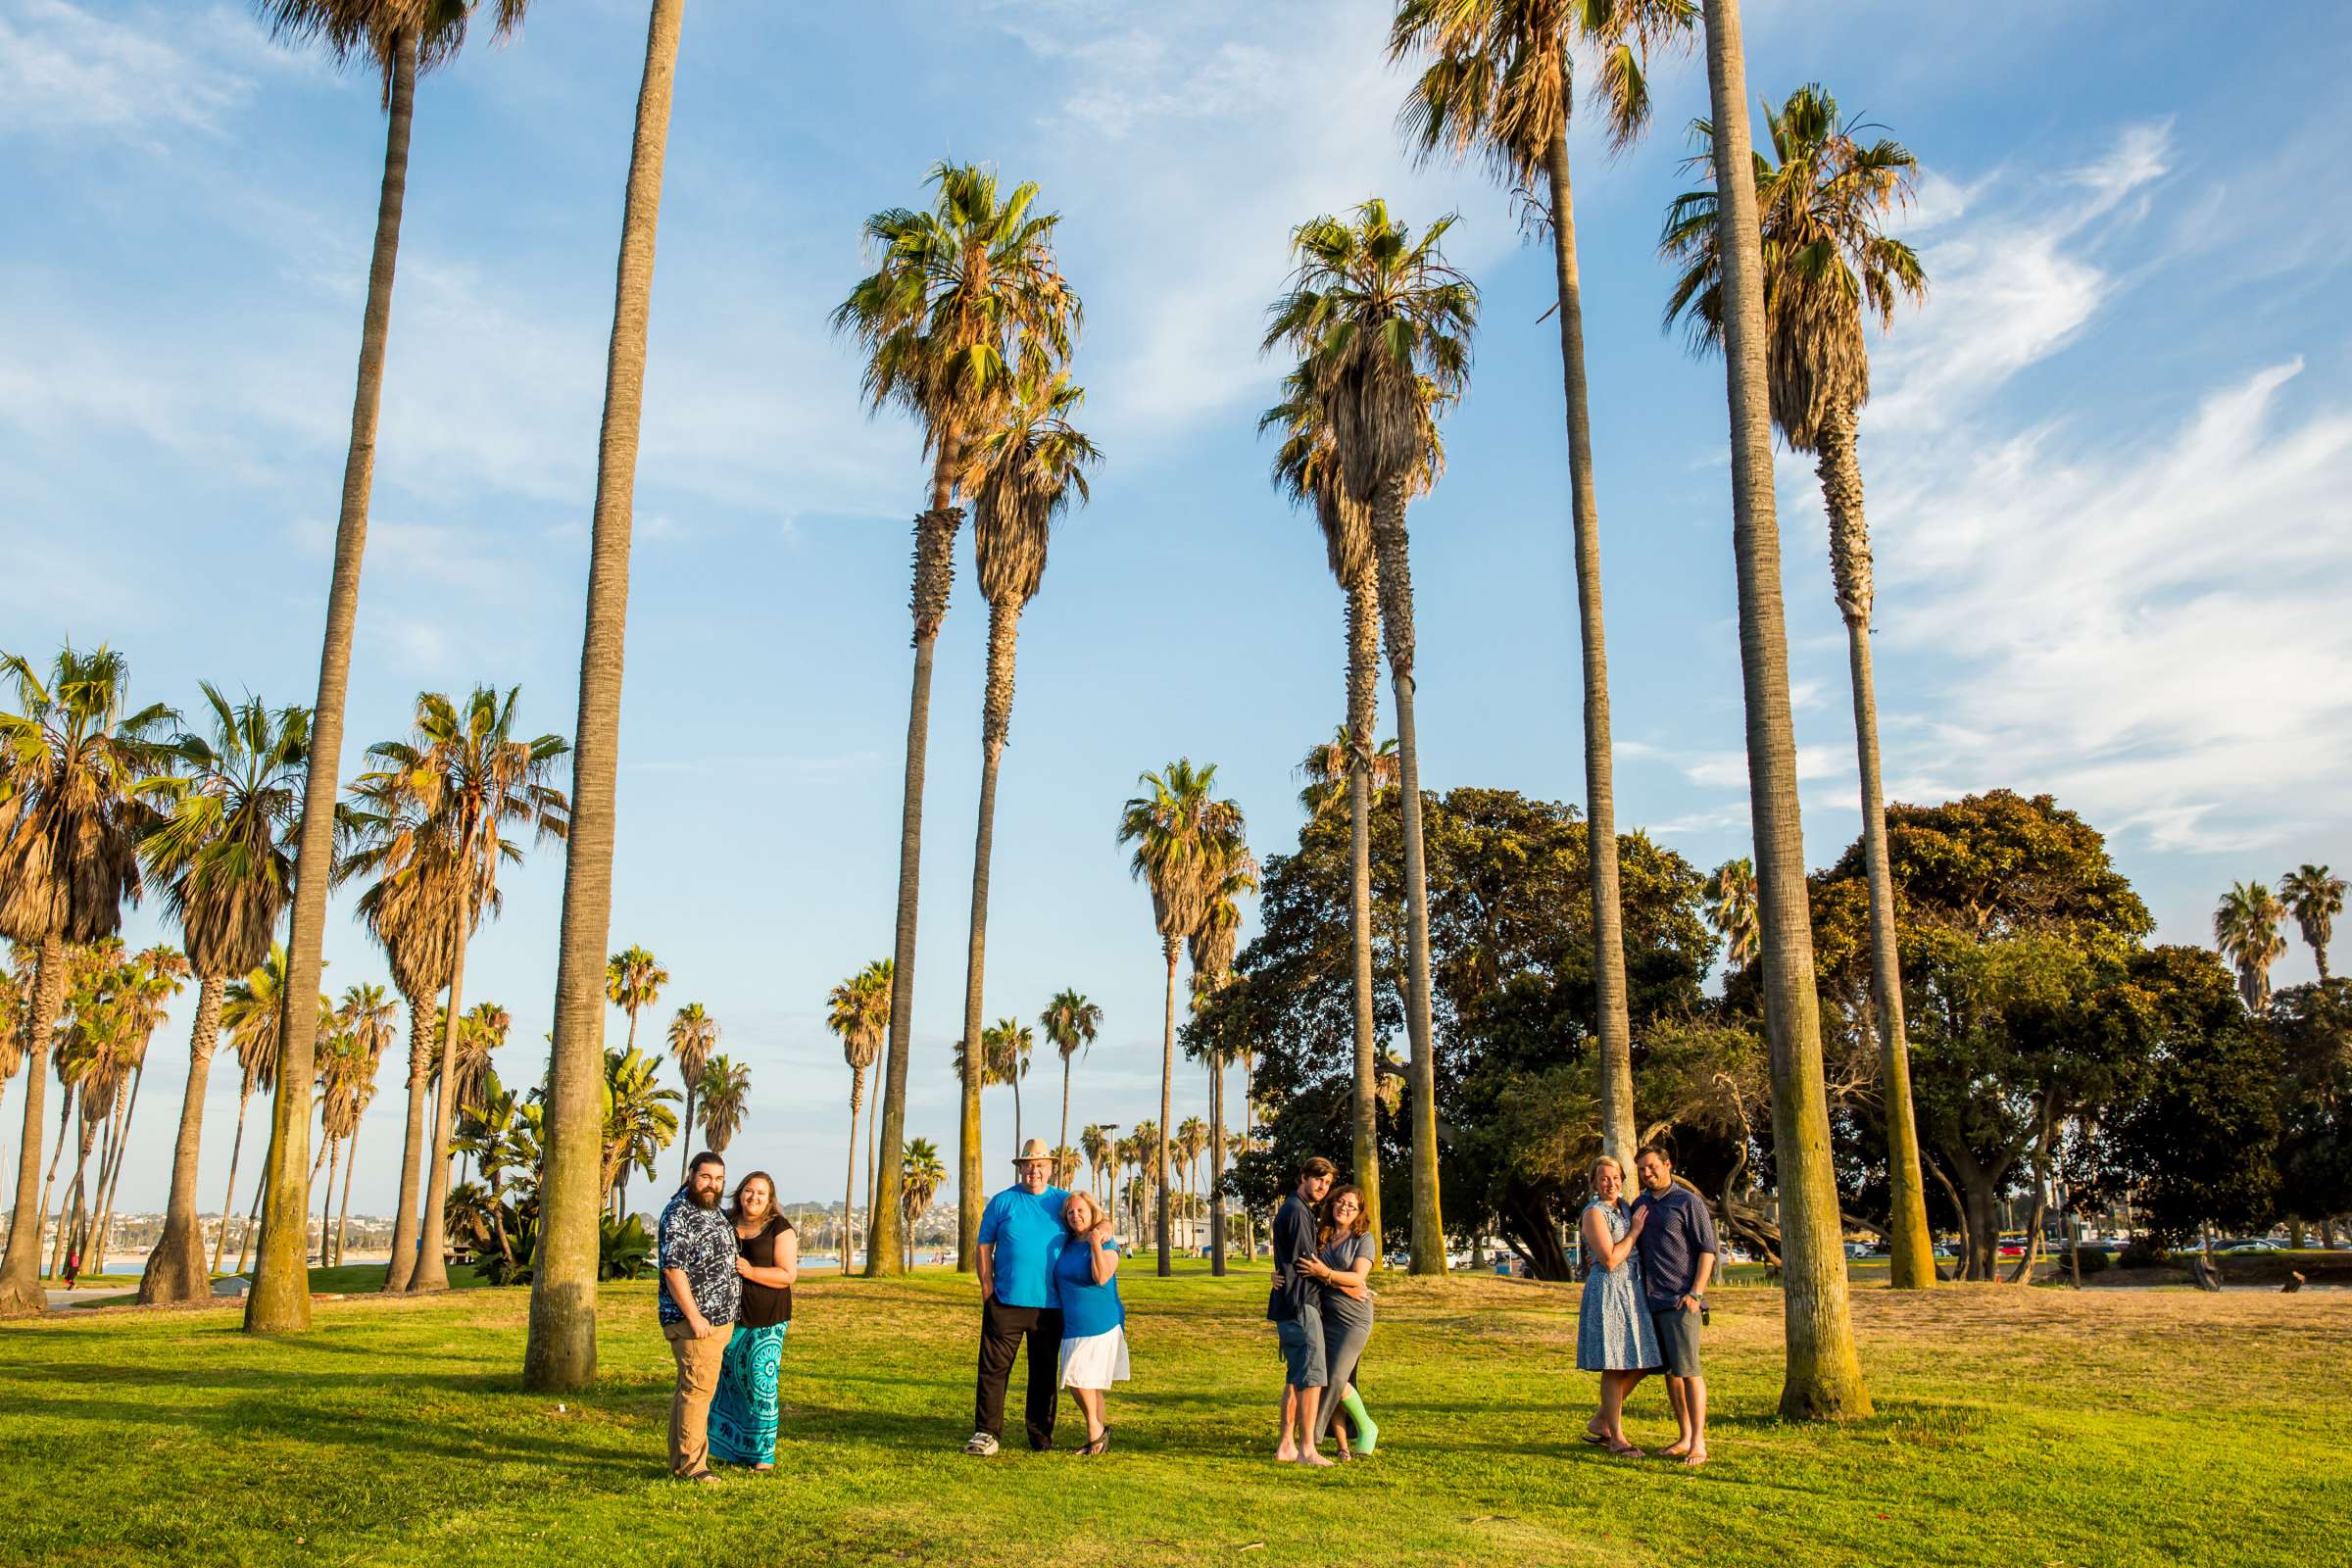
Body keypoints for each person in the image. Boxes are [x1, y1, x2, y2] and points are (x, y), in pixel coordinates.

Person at [967, 1137, 1069, 1456]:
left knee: (1043, 1374)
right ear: (1020, 1168)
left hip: (1050, 1307)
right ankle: (987, 1433)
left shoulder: (1064, 1202)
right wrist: (987, 1287)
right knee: (993, 1371)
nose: (1033, 1171)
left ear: (1050, 1168)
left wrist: (1105, 1229)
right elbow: (984, 1245)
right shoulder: (1002, 1202)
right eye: (1027, 1165)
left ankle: (1040, 1436)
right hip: (1005, 1303)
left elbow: (1094, 1219)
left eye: (1039, 1165)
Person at [1626, 1146, 1719, 1466]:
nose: (1647, 1173)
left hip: (1681, 1300)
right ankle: (1683, 1436)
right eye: (1641, 1170)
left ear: (1668, 1165)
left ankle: (1699, 1443)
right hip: (1651, 1302)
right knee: (1671, 1373)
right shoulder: (1640, 1205)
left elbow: (1708, 1249)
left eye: (1652, 1167)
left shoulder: (1688, 1202)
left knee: (1689, 1371)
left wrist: (1695, 1292)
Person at [657, 1152, 741, 1483]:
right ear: (691, 1174)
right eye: (706, 1177)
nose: (713, 1185)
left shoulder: (711, 1212)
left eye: (719, 1179)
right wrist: (694, 1317)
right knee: (697, 1393)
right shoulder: (680, 1214)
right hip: (697, 1324)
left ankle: (681, 1461)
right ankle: (694, 1468)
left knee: (689, 1391)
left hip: (717, 1321)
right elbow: (673, 1269)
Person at [709, 1171, 798, 1472]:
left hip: (767, 1319)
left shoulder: (779, 1228)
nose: (754, 1197)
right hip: (730, 1317)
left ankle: (763, 1454)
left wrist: (750, 1271)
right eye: (749, 1191)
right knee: (732, 1381)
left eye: (761, 1193)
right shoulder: (726, 1222)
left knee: (761, 1383)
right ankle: (735, 1449)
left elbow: (787, 1275)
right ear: (740, 1193)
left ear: (770, 1198)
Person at [1576, 1154, 1661, 1456]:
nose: (1610, 1183)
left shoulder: (1627, 1207)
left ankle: (1602, 1419)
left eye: (1615, 1178)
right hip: (1609, 1290)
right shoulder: (1594, 1213)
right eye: (1603, 1178)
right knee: (1615, 1364)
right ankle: (1616, 1438)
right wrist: (1635, 1233)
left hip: (1634, 1289)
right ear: (1594, 1182)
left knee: (1648, 1359)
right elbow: (1610, 1260)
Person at [1267, 1154, 1336, 1466]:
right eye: (1318, 1179)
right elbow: (1307, 1264)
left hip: (1289, 1302)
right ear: (1304, 1177)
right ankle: (1307, 1449)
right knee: (1312, 1377)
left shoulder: (1295, 1209)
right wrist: (1331, 1275)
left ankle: (1286, 1445)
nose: (1322, 1186)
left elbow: (1288, 1261)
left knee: (1296, 1376)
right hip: (1300, 1304)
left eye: (1327, 1182)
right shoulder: (1297, 1211)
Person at [1303, 1183, 1378, 1459]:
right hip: (1326, 1315)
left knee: (1335, 1377)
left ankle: (1321, 1435)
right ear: (1332, 1204)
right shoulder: (1321, 1235)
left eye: (1351, 1206)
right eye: (1341, 1202)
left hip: (1354, 1318)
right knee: (1329, 1377)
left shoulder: (1363, 1238)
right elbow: (1305, 1266)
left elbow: (1359, 1277)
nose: (1344, 1208)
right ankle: (1347, 1441)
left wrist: (1326, 1274)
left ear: (1358, 1212)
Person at [1054, 1189, 1127, 1455]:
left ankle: (1095, 1433)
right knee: (1088, 1382)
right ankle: (1099, 1434)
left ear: (1092, 1212)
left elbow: (1102, 1276)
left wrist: (1096, 1241)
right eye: (1070, 1212)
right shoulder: (1068, 1243)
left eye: (1080, 1210)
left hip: (1099, 1321)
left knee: (1076, 1377)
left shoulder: (1107, 1242)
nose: (1075, 1215)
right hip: (1072, 1323)